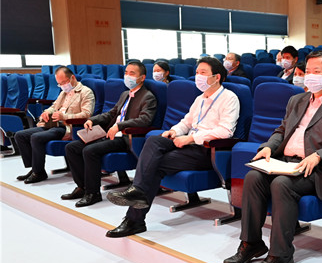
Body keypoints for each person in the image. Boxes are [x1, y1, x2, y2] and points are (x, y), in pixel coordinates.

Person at [223, 50, 322, 263]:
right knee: (253, 177)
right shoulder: (297, 100)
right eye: (308, 71)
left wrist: (318, 155)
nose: (310, 76)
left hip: (315, 169)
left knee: (281, 184)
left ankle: (281, 255)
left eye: (317, 71)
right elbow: (282, 130)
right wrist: (268, 146)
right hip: (285, 162)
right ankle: (251, 243)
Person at [105, 57, 240, 237]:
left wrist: (191, 138)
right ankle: (137, 192)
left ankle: (134, 220)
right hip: (187, 142)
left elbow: (225, 131)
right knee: (154, 140)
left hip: (206, 150)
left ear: (217, 77)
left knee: (155, 165)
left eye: (203, 73)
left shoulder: (229, 98)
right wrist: (174, 131)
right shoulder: (200, 98)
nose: (198, 76)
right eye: (197, 72)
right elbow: (186, 122)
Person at [64, 62, 157, 207]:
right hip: (109, 133)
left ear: (142, 77)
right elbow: (111, 114)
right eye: (126, 72)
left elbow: (145, 120)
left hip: (125, 138)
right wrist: (92, 120)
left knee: (90, 150)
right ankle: (82, 187)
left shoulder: (148, 97)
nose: (127, 76)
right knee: (71, 148)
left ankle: (93, 193)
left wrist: (120, 126)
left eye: (132, 73)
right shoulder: (125, 94)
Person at [15, 67, 95, 184]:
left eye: (64, 82)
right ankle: (34, 168)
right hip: (53, 124)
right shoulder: (63, 93)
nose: (62, 86)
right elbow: (53, 106)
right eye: (59, 84)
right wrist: (46, 112)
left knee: (36, 137)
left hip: (66, 127)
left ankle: (39, 172)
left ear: (72, 78)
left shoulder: (86, 92)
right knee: (20, 135)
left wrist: (65, 116)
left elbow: (87, 114)